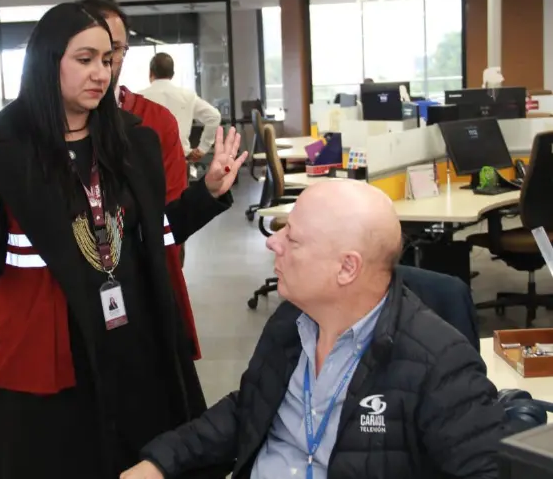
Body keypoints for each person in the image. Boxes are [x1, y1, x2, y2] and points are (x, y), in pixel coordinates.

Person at [0, 3, 247, 479]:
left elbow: (152, 237)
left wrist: (209, 193)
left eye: (109, 58)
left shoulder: (132, 140)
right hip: (50, 352)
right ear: (47, 60)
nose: (101, 72)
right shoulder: (0, 147)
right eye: (85, 59)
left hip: (132, 341)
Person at [121, 180, 507, 479]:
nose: (273, 243)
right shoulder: (290, 323)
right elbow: (248, 409)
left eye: (293, 238)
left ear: (347, 268)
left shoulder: (440, 364)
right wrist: (159, 461)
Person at [79, 0, 202, 353]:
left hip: (141, 289)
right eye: (89, 53)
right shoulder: (38, 132)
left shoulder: (153, 122)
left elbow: (170, 219)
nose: (104, 63)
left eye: (114, 50)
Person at [139, 52, 222, 163]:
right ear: (172, 74)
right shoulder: (187, 96)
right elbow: (214, 116)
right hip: (179, 160)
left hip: (147, 161)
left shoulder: (139, 98)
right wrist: (203, 148)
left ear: (150, 73)